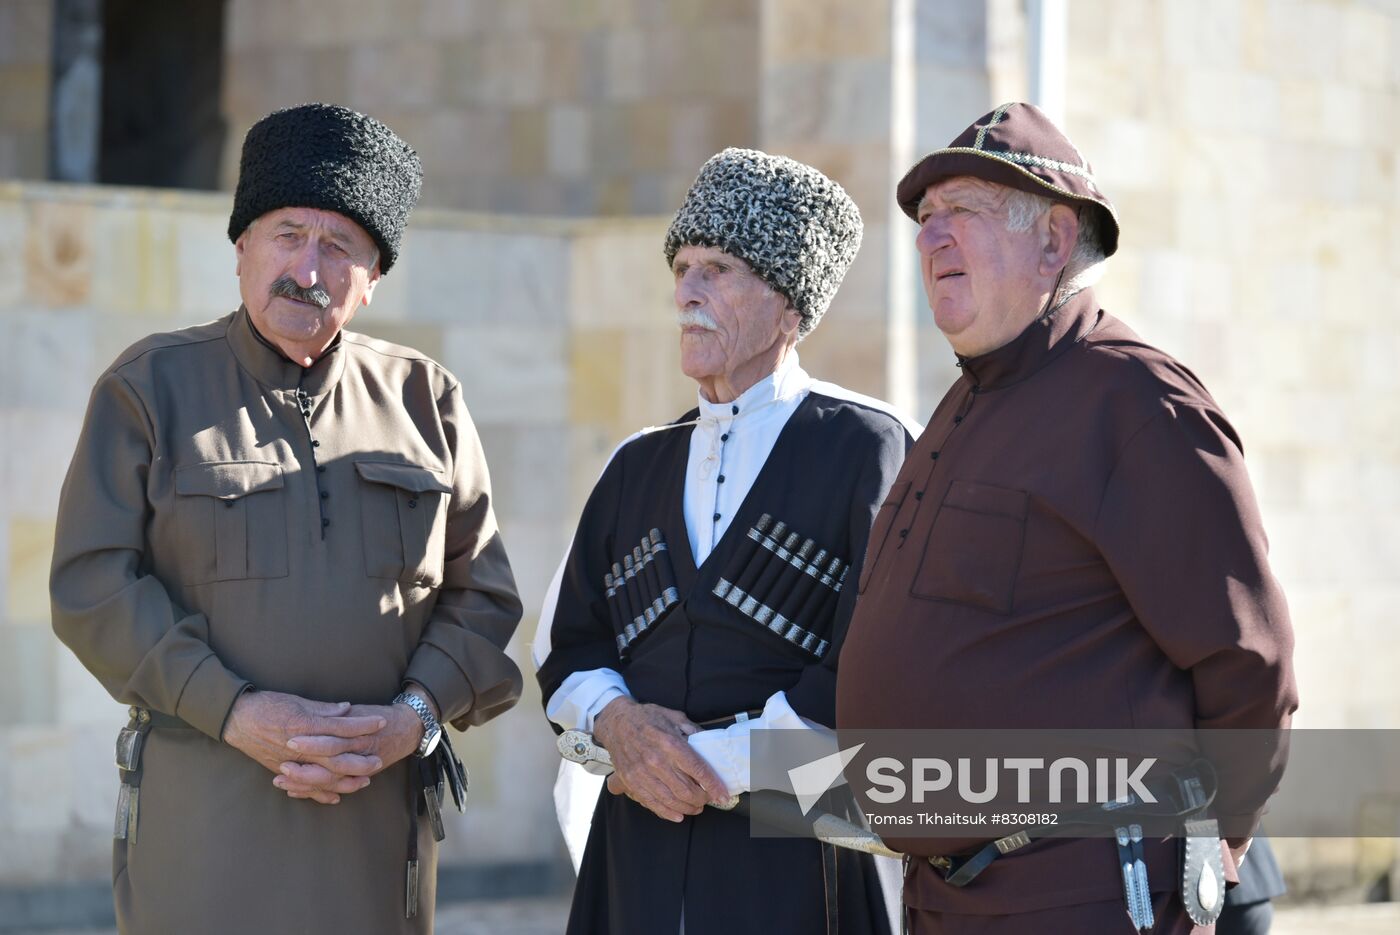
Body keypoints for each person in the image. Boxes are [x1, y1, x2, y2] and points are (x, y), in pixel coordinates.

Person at [49, 103, 524, 935]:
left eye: (340, 246)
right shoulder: (148, 389)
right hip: (205, 827)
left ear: (373, 277)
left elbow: (481, 596)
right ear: (241, 248)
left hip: (375, 837)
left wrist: (407, 721)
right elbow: (91, 587)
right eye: (287, 234)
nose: (308, 266)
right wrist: (234, 711)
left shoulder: (428, 400)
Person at [836, 103, 1298, 933]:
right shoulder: (961, 406)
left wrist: (1217, 843)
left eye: (962, 214)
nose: (929, 239)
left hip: (1082, 896)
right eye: (925, 219)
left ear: (1053, 239)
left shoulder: (1136, 402)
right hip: (944, 897)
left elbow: (1248, 659)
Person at [534, 148, 916, 935]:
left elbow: (881, 665)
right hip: (636, 839)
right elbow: (566, 647)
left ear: (790, 307)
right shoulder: (635, 462)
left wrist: (719, 763)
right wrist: (621, 728)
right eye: (681, 267)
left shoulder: (868, 447)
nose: (687, 293)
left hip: (794, 851)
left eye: (719, 270)